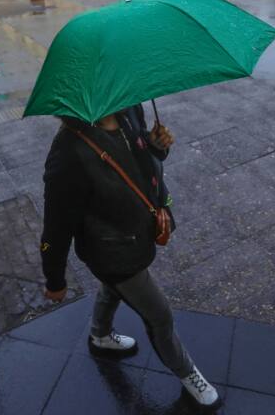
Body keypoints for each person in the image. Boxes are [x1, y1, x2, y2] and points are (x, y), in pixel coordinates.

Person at [41, 104, 221, 410]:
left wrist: (156, 146)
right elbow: (56, 225)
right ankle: (188, 373)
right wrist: (54, 279)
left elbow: (141, 162)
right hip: (109, 251)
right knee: (159, 315)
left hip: (138, 232)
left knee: (114, 288)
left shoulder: (128, 111)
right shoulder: (68, 151)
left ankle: (99, 334)